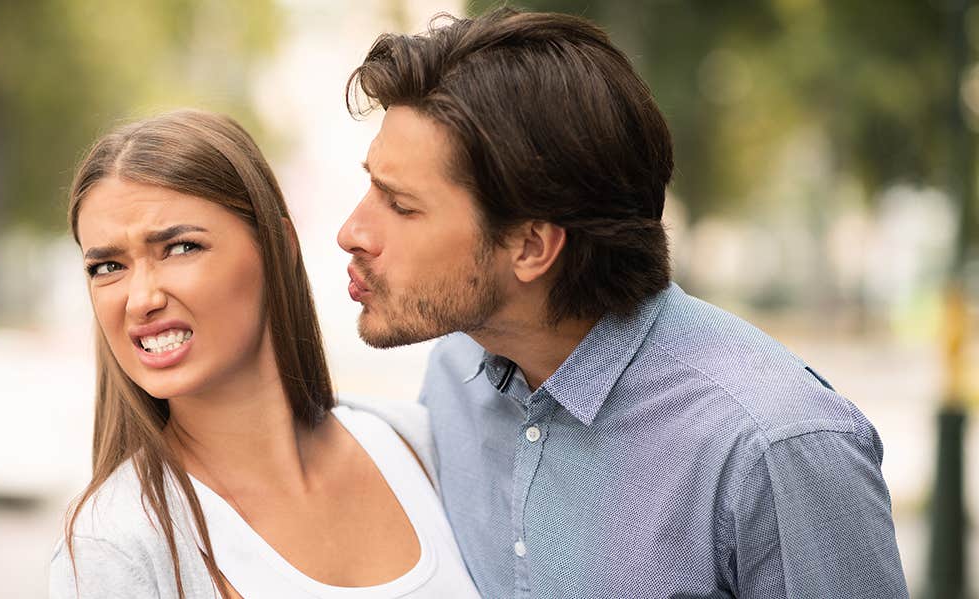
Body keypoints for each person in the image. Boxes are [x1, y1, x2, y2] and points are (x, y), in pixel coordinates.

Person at [337, 8, 908, 598]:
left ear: (532, 247)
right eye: (371, 186)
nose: (352, 231)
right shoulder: (458, 369)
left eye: (401, 205)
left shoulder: (773, 446)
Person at [49, 110, 479, 599]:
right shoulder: (113, 542)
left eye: (181, 248)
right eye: (107, 266)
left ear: (280, 246)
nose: (141, 298)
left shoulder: (414, 442)